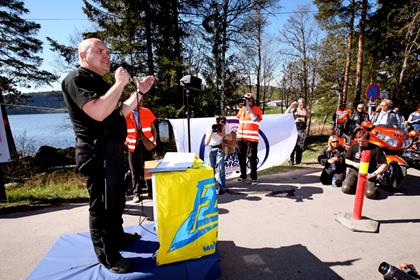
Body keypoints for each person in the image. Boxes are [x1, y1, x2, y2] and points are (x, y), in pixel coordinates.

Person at [62, 38, 156, 273]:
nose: (107, 55)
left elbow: (121, 111)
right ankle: (109, 256)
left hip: (112, 151)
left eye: (108, 51)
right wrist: (120, 83)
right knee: (102, 206)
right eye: (100, 51)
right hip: (96, 153)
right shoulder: (76, 79)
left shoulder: (102, 82)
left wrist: (139, 92)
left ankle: (118, 236)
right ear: (83, 56)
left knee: (116, 200)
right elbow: (98, 111)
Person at [125, 97, 157, 203]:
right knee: (134, 170)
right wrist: (125, 142)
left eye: (141, 101)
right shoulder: (126, 113)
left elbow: (153, 128)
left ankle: (151, 191)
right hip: (132, 145)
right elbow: (122, 130)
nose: (139, 104)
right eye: (137, 102)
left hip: (146, 144)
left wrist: (153, 143)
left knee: (148, 169)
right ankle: (136, 194)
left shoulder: (147, 111)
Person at [342, 130, 388, 199]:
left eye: (363, 141)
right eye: (359, 141)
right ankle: (355, 184)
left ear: (368, 140)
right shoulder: (354, 146)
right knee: (346, 189)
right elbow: (346, 160)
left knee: (371, 194)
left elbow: (385, 165)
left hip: (368, 173)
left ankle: (371, 186)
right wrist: (354, 164)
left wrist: (373, 174)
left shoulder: (375, 149)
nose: (360, 143)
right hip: (354, 171)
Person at [236, 93, 263, 185]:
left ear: (251, 100)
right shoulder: (241, 109)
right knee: (241, 158)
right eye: (244, 99)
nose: (245, 100)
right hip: (240, 138)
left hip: (251, 139)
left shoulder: (257, 109)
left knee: (252, 158)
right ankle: (243, 176)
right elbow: (239, 119)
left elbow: (254, 119)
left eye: (247, 99)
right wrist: (244, 107)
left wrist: (249, 108)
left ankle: (254, 178)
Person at [205, 115, 232, 194]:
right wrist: (211, 132)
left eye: (223, 124)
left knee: (221, 167)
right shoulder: (211, 126)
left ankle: (221, 187)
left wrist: (223, 134)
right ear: (217, 122)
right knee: (211, 168)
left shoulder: (226, 125)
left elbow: (230, 138)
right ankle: (211, 186)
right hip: (211, 148)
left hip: (220, 147)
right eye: (221, 124)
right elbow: (206, 143)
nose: (222, 126)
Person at [286, 97, 311, 165]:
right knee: (293, 144)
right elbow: (286, 113)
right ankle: (291, 160)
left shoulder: (305, 110)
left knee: (300, 146)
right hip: (294, 128)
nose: (301, 104)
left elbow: (308, 115)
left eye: (302, 102)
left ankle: (298, 161)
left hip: (302, 128)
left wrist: (303, 109)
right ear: (298, 103)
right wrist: (291, 106)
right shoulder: (294, 109)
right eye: (300, 103)